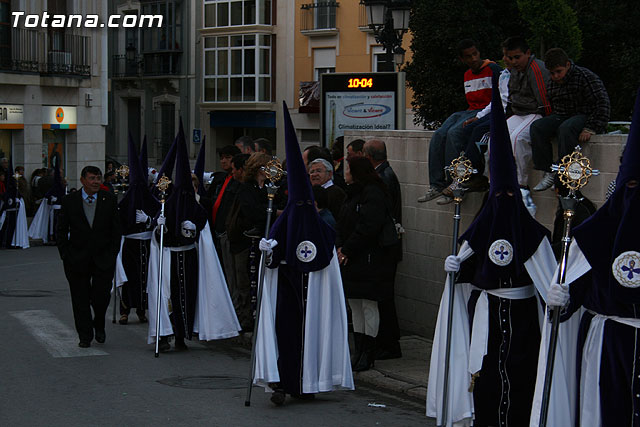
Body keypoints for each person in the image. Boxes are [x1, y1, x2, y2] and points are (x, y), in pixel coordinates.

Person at [427, 77, 552, 426]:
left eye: (509, 196)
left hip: (523, 315)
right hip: (485, 311)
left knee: (519, 374)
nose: (504, 202)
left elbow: (546, 274)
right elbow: (468, 264)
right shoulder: (480, 229)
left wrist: (557, 294)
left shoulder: (532, 233)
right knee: (484, 376)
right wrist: (455, 267)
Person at [543, 89, 640, 427]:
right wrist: (562, 297)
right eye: (632, 185)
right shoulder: (598, 230)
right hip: (606, 345)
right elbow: (580, 284)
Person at [253, 101, 353, 406]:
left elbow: (327, 256)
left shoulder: (320, 224)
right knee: (286, 335)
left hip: (314, 294)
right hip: (287, 289)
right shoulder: (283, 221)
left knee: (312, 338)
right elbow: (271, 257)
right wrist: (267, 249)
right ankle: (282, 383)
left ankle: (307, 383)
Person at [147, 121, 240, 351]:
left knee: (186, 297)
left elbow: (203, 232)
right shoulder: (164, 206)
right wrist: (159, 226)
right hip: (167, 257)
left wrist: (195, 228)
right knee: (166, 296)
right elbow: (158, 237)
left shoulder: (196, 208)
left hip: (188, 258)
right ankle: (165, 334)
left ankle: (182, 335)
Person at [418, 39, 502, 203]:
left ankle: (455, 183)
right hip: (469, 110)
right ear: (462, 59)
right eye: (468, 57)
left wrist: (477, 117)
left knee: (454, 133)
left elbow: (499, 98)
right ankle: (436, 184)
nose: (473, 59)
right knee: (439, 134)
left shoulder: (493, 69)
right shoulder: (467, 75)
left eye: (475, 54)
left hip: (486, 110)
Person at [337, 156, 399, 372]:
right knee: (356, 305)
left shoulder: (372, 193)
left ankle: (368, 352)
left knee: (368, 305)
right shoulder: (354, 193)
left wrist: (346, 249)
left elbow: (368, 226)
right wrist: (341, 246)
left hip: (370, 258)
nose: (345, 172)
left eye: (348, 169)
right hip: (353, 258)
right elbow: (344, 223)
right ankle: (359, 350)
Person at [56, 166, 122, 347]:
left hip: (103, 259)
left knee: (101, 297)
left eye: (98, 178)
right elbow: (61, 230)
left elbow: (116, 230)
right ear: (83, 180)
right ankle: (85, 335)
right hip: (76, 259)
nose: (96, 182)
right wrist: (65, 254)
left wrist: (112, 253)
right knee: (80, 298)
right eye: (92, 178)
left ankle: (99, 322)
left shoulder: (108, 199)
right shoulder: (70, 201)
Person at [531, 47, 611, 192]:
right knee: (537, 127)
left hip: (584, 114)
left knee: (566, 129)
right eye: (552, 73)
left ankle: (563, 174)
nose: (556, 76)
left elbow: (602, 103)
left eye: (559, 71)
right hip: (562, 115)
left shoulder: (585, 76)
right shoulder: (552, 83)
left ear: (567, 65)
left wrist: (591, 127)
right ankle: (548, 170)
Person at [363, 139, 403, 359]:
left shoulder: (384, 178)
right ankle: (386, 341)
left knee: (384, 298)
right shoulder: (384, 175)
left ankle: (389, 343)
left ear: (369, 157)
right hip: (386, 247)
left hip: (385, 248)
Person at [502, 36, 552, 216]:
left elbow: (545, 100)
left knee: (518, 138)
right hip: (519, 112)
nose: (514, 61)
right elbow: (512, 97)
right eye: (511, 58)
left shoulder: (536, 68)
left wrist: (547, 124)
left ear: (528, 54)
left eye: (518, 57)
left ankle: (521, 184)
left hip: (536, 112)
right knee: (497, 139)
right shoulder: (514, 70)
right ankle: (498, 183)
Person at [114, 135, 160, 326]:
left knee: (146, 277)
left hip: (148, 243)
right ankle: (125, 310)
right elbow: (118, 223)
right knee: (129, 278)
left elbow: (160, 218)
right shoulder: (125, 201)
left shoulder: (152, 201)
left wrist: (149, 220)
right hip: (130, 244)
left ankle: (142, 310)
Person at [225, 152, 272, 331]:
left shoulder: (269, 186)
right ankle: (247, 316)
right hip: (245, 241)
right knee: (244, 280)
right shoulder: (246, 188)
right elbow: (252, 212)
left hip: (263, 240)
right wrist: (271, 212)